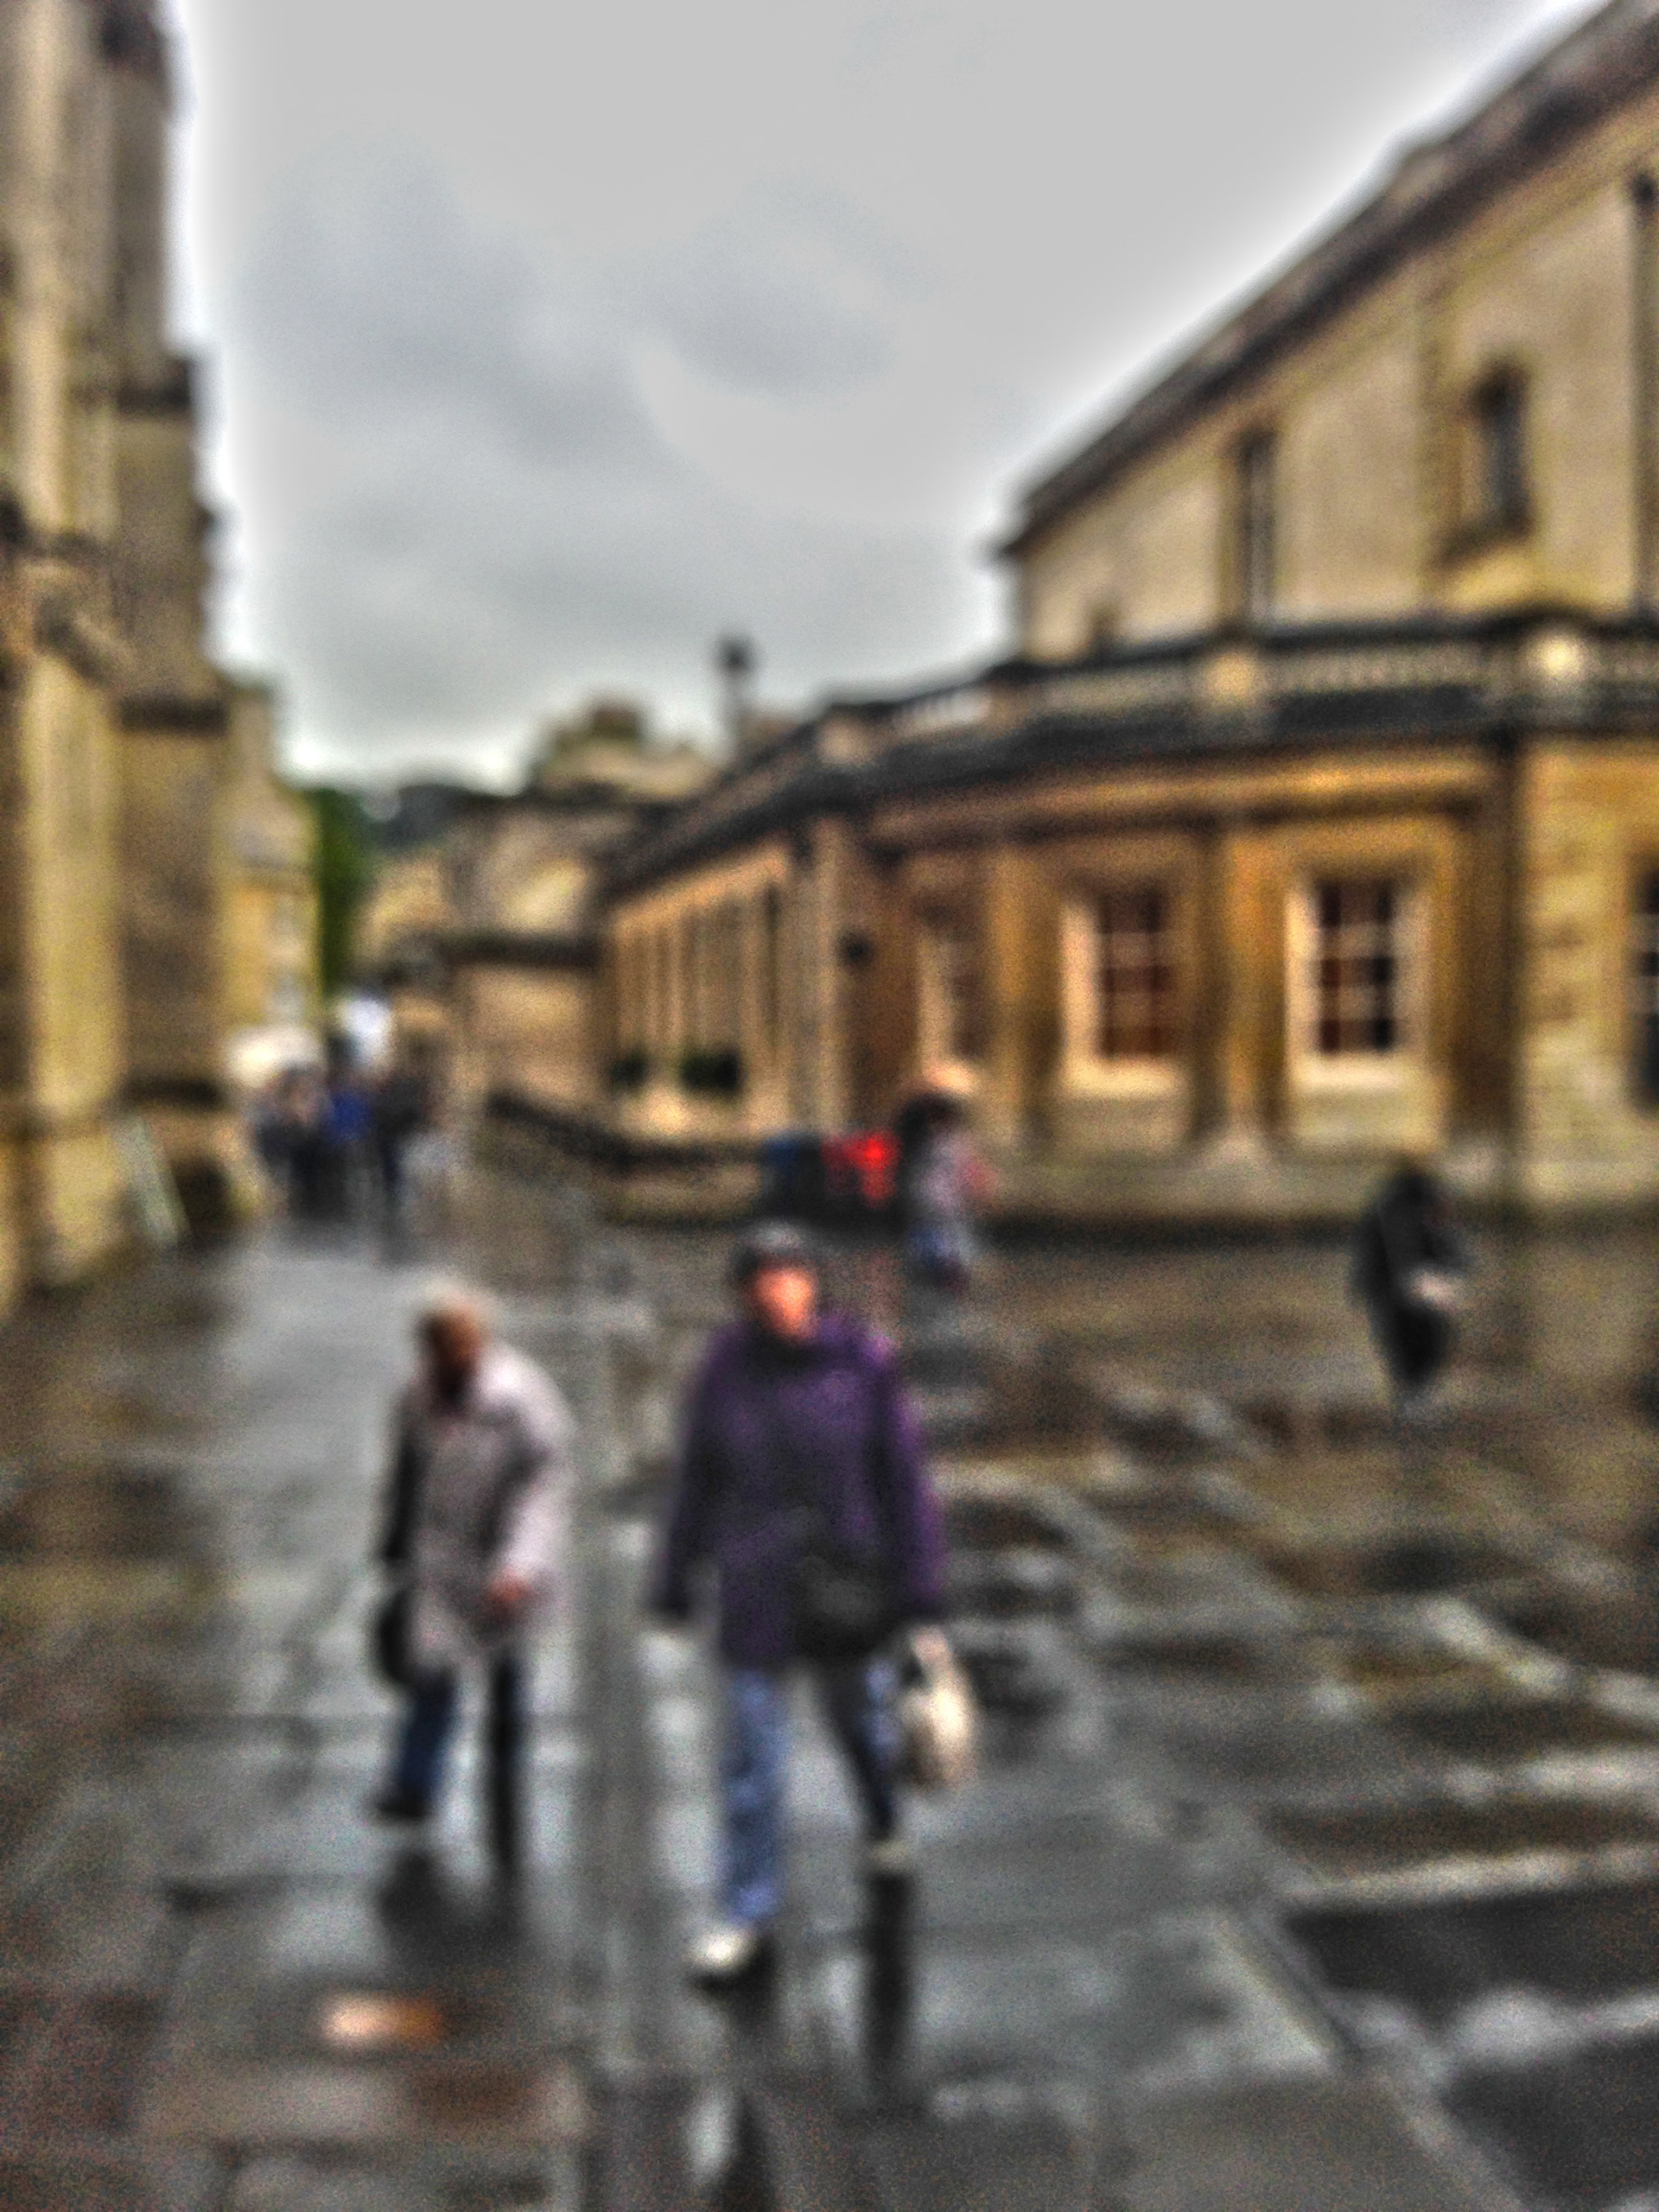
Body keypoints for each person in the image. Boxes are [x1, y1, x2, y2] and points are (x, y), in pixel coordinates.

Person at [651, 1220, 950, 1988]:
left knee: (862, 1724)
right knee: (752, 1762)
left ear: (814, 1283)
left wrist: (920, 1591)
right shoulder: (723, 1370)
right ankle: (745, 1913)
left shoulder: (863, 1364)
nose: (780, 1293)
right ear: (744, 1294)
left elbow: (903, 1481)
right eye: (764, 1280)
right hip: (756, 1589)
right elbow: (695, 1479)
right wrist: (674, 1576)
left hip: (845, 1587)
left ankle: (882, 1816)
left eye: (792, 1276)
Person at [372, 1282, 575, 1872]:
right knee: (431, 1672)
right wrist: (394, 1543)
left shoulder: (521, 1398)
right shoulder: (417, 1396)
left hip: (503, 1562)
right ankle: (415, 1784)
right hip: (441, 1560)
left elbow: (546, 1485)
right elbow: (406, 1471)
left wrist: (520, 1565)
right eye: (438, 1347)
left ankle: (505, 1777)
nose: (449, 1357)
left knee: (505, 1679)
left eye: (459, 1345)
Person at [1351, 1159, 1470, 1421]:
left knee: (1408, 1341)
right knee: (1420, 1340)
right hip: (1408, 1287)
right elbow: (1447, 1243)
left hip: (1407, 1287)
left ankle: (1412, 1391)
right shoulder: (1414, 1204)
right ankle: (1414, 1391)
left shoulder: (1390, 1205)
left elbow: (1372, 1250)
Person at [896, 1090, 988, 1293]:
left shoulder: (928, 1139)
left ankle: (936, 1270)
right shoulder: (951, 1141)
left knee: (937, 1235)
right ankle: (945, 1272)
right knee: (947, 1237)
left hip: (930, 1197)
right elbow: (967, 1170)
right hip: (944, 1199)